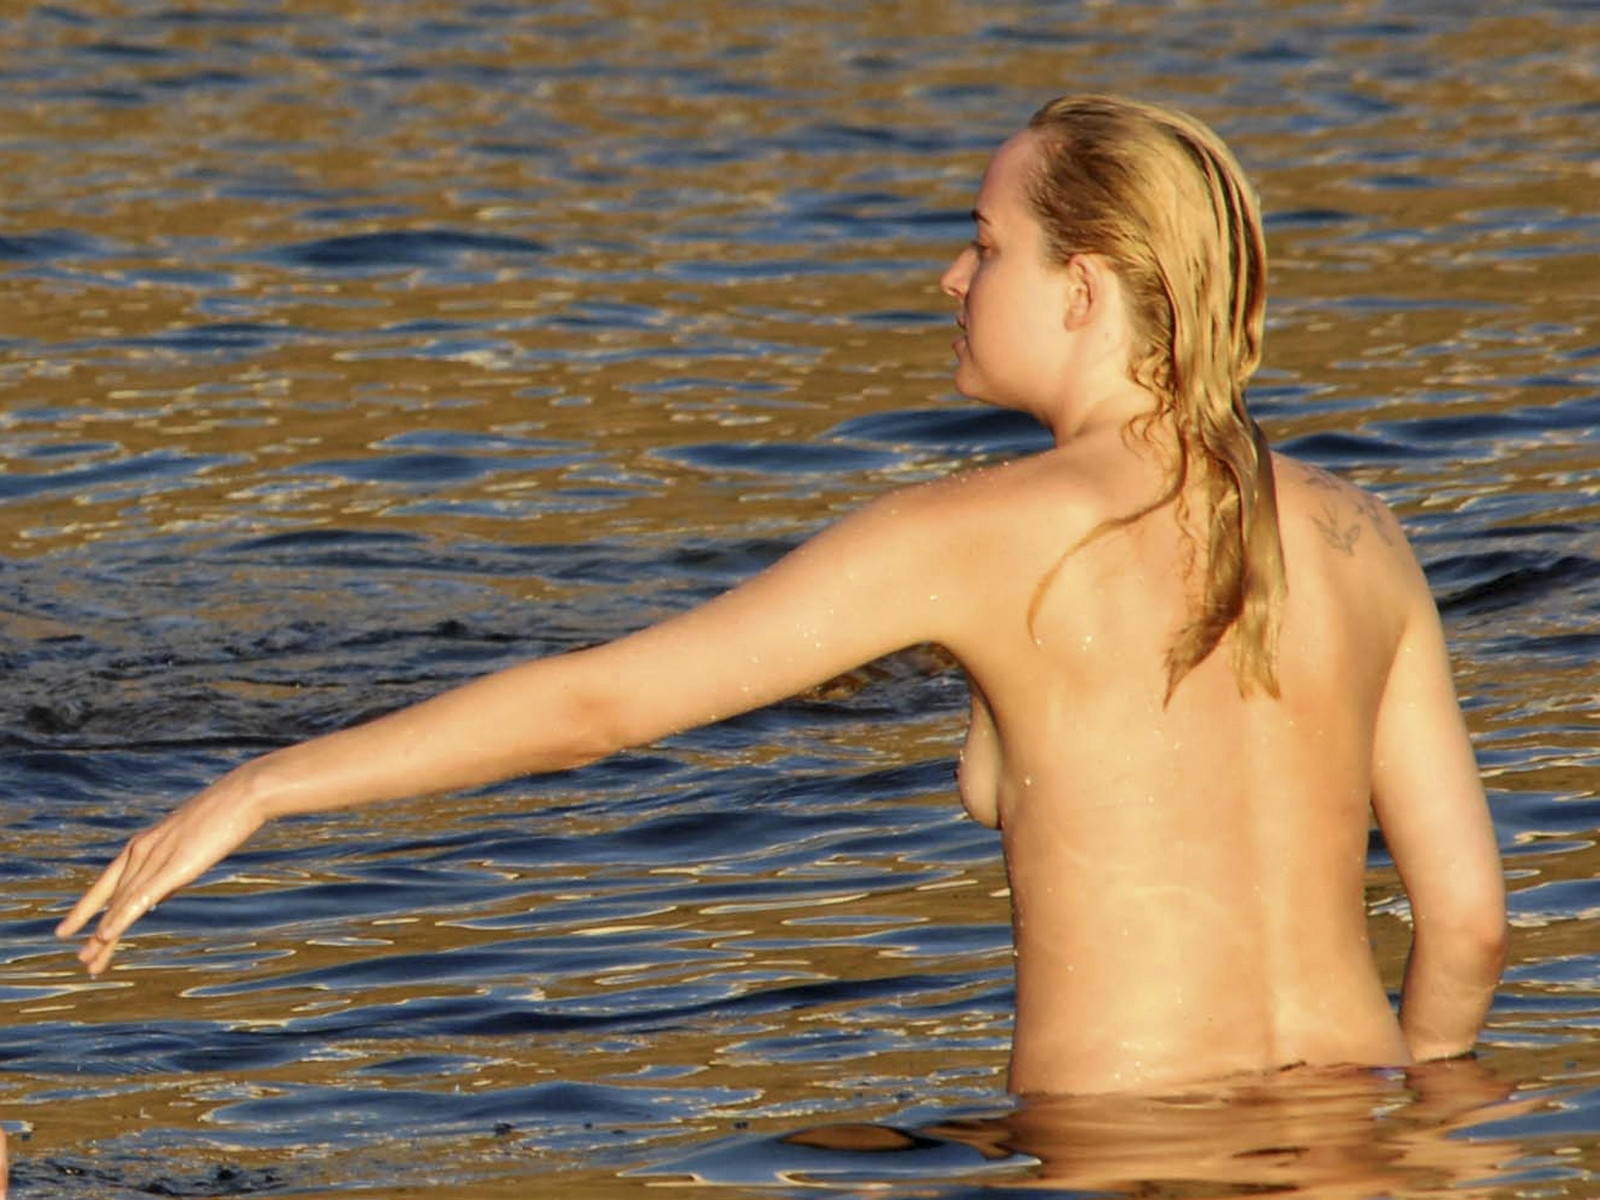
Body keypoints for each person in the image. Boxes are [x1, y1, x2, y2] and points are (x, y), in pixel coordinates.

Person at [57, 94, 1507, 1097]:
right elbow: (1470, 925)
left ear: (1084, 288)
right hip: (1362, 1134)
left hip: (1116, 1147)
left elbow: (599, 704)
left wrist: (265, 787)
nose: (951, 275)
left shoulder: (974, 534)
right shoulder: (1359, 535)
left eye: (987, 243)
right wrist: (1422, 1115)